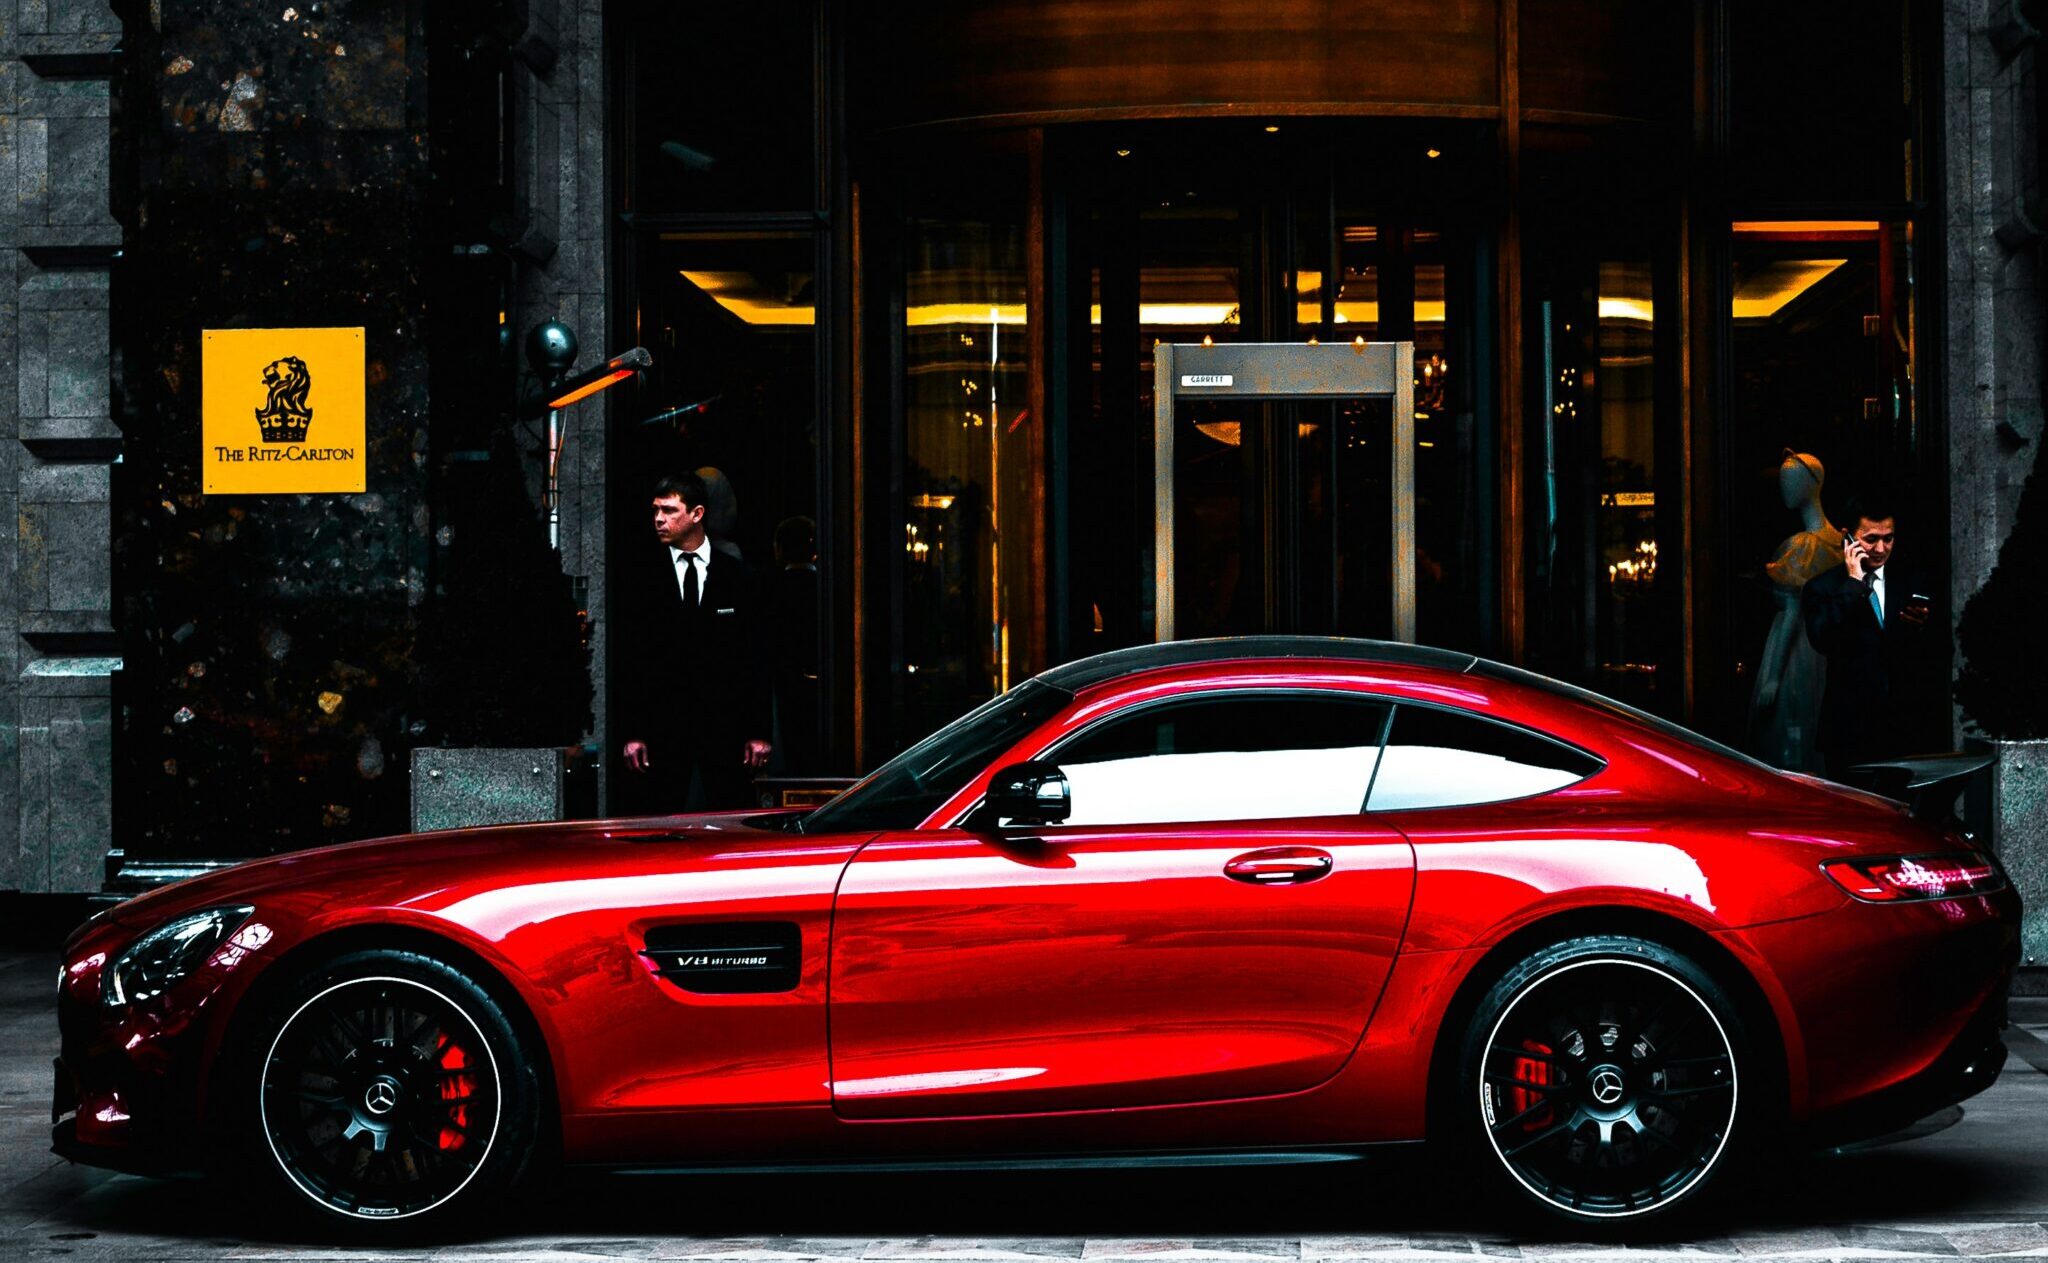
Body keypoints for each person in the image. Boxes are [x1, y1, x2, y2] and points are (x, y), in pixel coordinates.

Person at [618, 472, 773, 811]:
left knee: (730, 817)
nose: (659, 519)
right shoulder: (641, 577)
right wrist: (632, 732)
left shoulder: (737, 576)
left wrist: (759, 731)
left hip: (725, 728)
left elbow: (755, 657)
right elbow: (630, 661)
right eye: (656, 510)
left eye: (670, 510)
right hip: (662, 730)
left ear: (697, 514)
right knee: (659, 821)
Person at [1800, 494, 1936, 781]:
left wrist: (1923, 628)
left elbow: (1937, 651)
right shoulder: (1822, 588)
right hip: (1848, 730)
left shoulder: (1913, 581)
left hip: (1904, 729)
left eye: (1888, 538)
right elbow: (1823, 639)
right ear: (1847, 537)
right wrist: (1853, 583)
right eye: (1871, 538)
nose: (1880, 548)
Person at [1747, 452, 1842, 772]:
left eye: (1791, 481)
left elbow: (1791, 612)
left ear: (1810, 485)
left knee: (1794, 718)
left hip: (1797, 648)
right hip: (1821, 644)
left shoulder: (1805, 547)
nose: (1785, 489)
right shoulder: (1837, 541)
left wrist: (1773, 677)